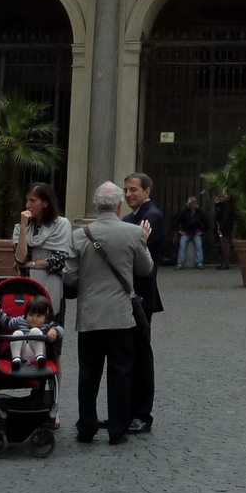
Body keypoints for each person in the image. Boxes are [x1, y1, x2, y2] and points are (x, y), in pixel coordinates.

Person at [64, 182, 153, 444]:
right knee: (121, 373)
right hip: (120, 315)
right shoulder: (133, 232)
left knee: (88, 372)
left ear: (95, 204)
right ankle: (117, 428)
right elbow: (145, 268)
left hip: (90, 315)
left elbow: (69, 276)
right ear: (118, 206)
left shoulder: (80, 235)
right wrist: (143, 244)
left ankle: (87, 426)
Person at [122, 171, 166, 433]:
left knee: (140, 355)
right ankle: (124, 411)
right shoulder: (130, 218)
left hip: (142, 295)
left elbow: (140, 258)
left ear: (147, 192)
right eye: (125, 190)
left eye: (133, 190)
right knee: (126, 354)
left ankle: (141, 414)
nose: (128, 194)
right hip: (126, 294)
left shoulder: (153, 217)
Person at [12, 181, 73, 314]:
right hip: (27, 286)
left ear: (45, 203)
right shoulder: (20, 227)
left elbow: (57, 261)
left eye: (33, 200)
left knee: (50, 330)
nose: (28, 205)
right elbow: (20, 259)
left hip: (51, 286)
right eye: (26, 200)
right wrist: (23, 227)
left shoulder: (61, 225)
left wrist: (30, 263)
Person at [0, 290, 64, 365]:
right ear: (26, 314)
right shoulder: (21, 320)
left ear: (45, 315)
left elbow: (60, 329)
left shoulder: (47, 323)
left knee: (35, 331)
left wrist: (54, 330)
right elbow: (6, 322)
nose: (34, 318)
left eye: (38, 316)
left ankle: (39, 357)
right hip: (22, 352)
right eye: (31, 315)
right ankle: (16, 358)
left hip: (40, 351)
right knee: (17, 333)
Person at [175, 196, 208, 270]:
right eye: (193, 202)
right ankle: (180, 264)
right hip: (186, 232)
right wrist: (180, 230)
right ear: (189, 203)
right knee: (182, 247)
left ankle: (199, 263)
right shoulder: (184, 212)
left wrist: (201, 231)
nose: (195, 203)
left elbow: (206, 223)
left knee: (199, 247)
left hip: (195, 232)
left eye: (196, 201)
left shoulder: (200, 212)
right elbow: (176, 221)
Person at [213, 193, 235, 269]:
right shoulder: (226, 205)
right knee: (224, 245)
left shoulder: (226, 206)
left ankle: (225, 264)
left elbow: (224, 218)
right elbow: (221, 208)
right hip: (226, 228)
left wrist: (220, 229)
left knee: (224, 246)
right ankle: (224, 263)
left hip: (225, 229)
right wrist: (217, 203)